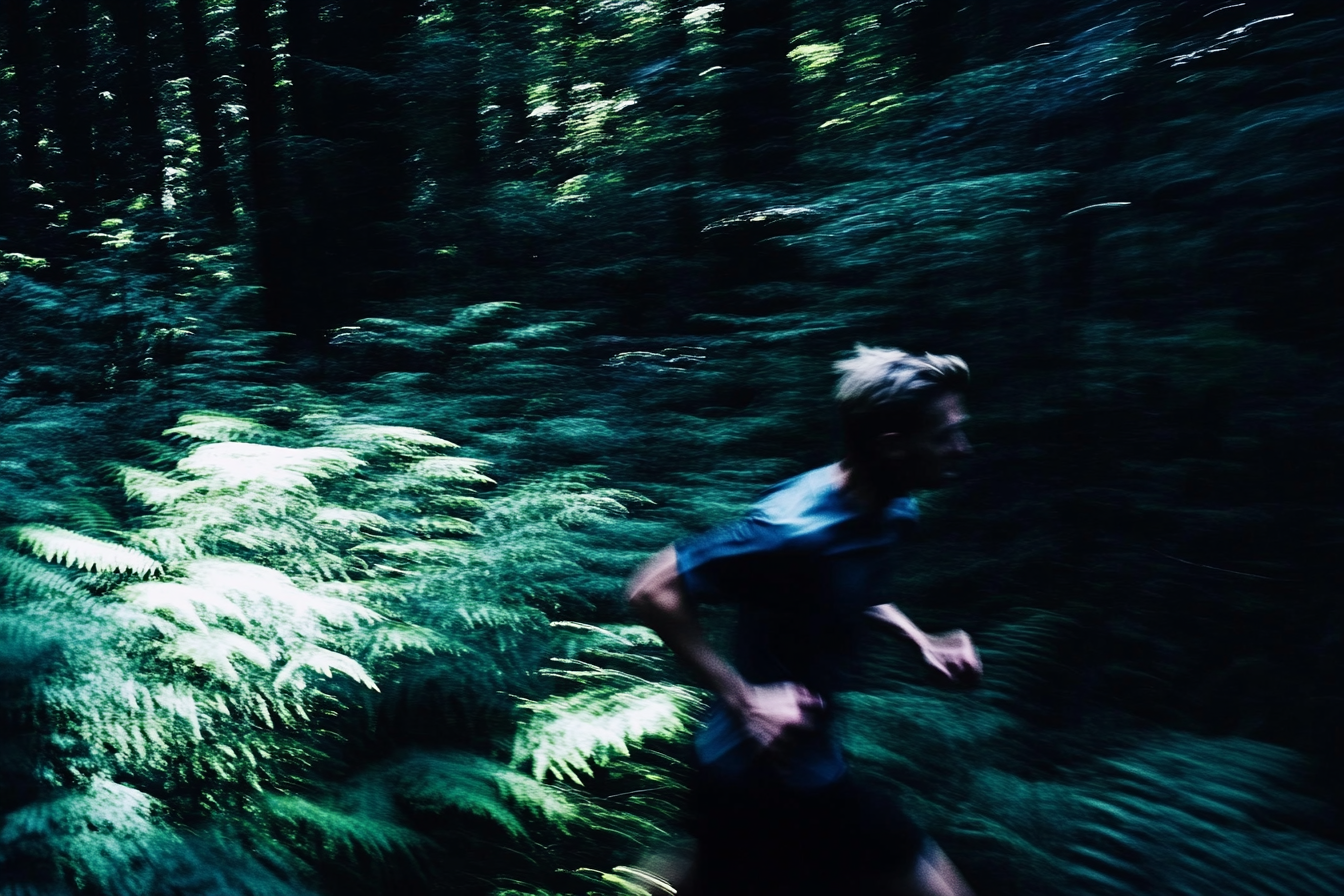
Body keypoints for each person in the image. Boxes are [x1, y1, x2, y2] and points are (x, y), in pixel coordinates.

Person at [626, 345, 983, 896]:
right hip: (751, 771)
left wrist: (920, 639)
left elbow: (843, 590)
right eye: (945, 436)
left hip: (800, 766)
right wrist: (747, 700)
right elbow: (651, 588)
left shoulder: (894, 508)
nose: (962, 448)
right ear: (892, 447)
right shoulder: (791, 528)